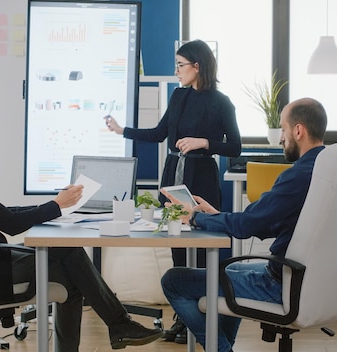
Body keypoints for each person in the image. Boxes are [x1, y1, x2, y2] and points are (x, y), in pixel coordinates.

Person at [0, 102, 163, 352]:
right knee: (70, 258)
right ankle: (120, 324)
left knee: (70, 273)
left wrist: (50, 206)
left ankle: (119, 325)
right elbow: (9, 224)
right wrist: (56, 206)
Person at [160, 97, 328, 352]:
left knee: (173, 280)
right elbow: (264, 224)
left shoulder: (298, 175)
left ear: (298, 130)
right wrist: (216, 215)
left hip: (281, 284)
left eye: (283, 129)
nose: (281, 137)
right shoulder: (328, 170)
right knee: (226, 275)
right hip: (310, 277)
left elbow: (246, 227)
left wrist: (194, 217)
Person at [104, 40, 242, 342]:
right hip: (173, 176)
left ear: (198, 66)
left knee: (204, 247)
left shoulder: (221, 102)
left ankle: (206, 319)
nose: (176, 71)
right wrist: (121, 130)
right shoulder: (178, 96)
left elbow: (235, 146)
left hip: (202, 176)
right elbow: (158, 133)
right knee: (177, 246)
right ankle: (184, 319)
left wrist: (203, 142)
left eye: (180, 65)